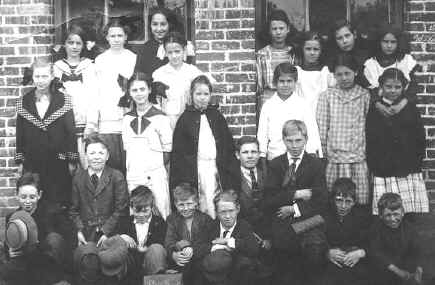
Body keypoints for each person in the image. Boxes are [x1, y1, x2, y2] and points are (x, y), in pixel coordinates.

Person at [16, 58, 78, 230]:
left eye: (44, 76)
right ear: (32, 77)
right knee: (36, 195)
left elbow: (70, 132)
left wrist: (72, 160)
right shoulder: (24, 101)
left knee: (57, 199)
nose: (40, 80)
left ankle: (58, 238)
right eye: (37, 76)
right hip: (33, 159)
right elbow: (20, 134)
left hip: (57, 160)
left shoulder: (63, 100)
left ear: (51, 77)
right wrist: (20, 161)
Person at [263, 120, 327, 284]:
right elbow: (269, 199)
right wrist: (296, 193)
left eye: (298, 140)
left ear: (306, 139)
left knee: (313, 252)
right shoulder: (276, 164)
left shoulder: (316, 165)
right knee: (284, 262)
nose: (294, 146)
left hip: (308, 220)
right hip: (281, 221)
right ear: (283, 140)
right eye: (290, 141)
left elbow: (321, 200)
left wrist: (294, 209)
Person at [170, 75, 240, 218]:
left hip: (216, 166)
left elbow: (227, 146)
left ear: (210, 95)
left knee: (217, 198)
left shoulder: (216, 116)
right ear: (191, 95)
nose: (202, 98)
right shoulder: (185, 120)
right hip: (196, 168)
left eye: (206, 94)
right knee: (203, 199)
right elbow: (179, 154)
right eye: (198, 94)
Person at [366, 68, 429, 215]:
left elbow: (419, 137)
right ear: (381, 87)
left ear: (404, 87)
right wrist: (375, 164)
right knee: (386, 211)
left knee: (408, 210)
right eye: (388, 86)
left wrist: (416, 162)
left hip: (407, 167)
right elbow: (371, 139)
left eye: (397, 87)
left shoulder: (410, 108)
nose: (393, 91)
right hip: (384, 167)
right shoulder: (375, 109)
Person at [317, 53, 371, 205]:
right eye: (339, 74)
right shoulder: (327, 96)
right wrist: (323, 152)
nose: (344, 78)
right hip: (335, 158)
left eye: (347, 73)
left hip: (358, 157)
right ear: (334, 75)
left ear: (356, 72)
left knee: (358, 199)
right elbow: (322, 126)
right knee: (334, 198)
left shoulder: (364, 95)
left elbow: (368, 125)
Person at [1, 173, 71, 285]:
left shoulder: (52, 215)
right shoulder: (13, 217)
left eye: (32, 197)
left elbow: (59, 247)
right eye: (23, 197)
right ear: (16, 195)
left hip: (46, 267)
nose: (28, 201)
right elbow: (8, 246)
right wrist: (10, 251)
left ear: (39, 195)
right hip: (22, 266)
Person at [122, 72, 172, 219]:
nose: (139, 94)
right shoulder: (126, 119)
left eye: (142, 89)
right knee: (137, 214)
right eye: (134, 90)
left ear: (149, 89)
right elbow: (127, 149)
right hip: (134, 175)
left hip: (155, 175)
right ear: (130, 93)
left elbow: (168, 150)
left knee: (161, 211)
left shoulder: (161, 118)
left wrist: (153, 166)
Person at [257, 62, 322, 167]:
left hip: (299, 158)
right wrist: (262, 156)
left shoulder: (303, 105)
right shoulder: (268, 106)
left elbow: (311, 130)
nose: (285, 85)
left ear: (295, 82)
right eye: (281, 81)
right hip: (275, 157)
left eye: (289, 81)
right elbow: (262, 134)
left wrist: (312, 152)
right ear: (275, 82)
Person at [93, 19, 137, 173]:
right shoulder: (100, 60)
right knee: (111, 163)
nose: (116, 39)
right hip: (107, 117)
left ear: (126, 37)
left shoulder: (133, 58)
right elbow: (97, 91)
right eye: (113, 36)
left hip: (128, 115)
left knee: (129, 162)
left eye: (120, 35)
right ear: (107, 38)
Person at [70, 134, 129, 246]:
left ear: (107, 156)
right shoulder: (78, 178)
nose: (96, 157)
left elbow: (121, 210)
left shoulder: (116, 176)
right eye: (92, 153)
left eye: (101, 153)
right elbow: (73, 210)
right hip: (86, 235)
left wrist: (106, 232)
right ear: (86, 155)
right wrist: (79, 231)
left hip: (111, 233)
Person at [53, 25, 99, 169]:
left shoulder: (89, 67)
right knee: (66, 170)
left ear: (84, 45)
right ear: (64, 44)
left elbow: (94, 97)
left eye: (78, 43)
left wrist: (91, 124)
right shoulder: (57, 68)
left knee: (87, 167)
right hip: (64, 127)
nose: (74, 47)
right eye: (70, 43)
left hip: (84, 125)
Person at [201, 191, 259, 285]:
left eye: (231, 211)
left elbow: (253, 249)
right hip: (213, 272)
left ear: (238, 209)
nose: (227, 216)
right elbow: (198, 247)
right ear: (216, 212)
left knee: (246, 264)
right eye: (223, 212)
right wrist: (216, 247)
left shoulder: (244, 226)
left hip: (236, 274)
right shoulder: (210, 226)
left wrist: (229, 241)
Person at [322, 178, 372, 285]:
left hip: (355, 264)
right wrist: (326, 252)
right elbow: (310, 236)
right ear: (332, 200)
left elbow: (374, 241)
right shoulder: (323, 214)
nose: (343, 206)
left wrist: (361, 253)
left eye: (348, 201)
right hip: (330, 264)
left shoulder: (363, 217)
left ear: (354, 202)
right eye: (339, 200)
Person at [364, 24, 420, 118]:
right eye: (385, 42)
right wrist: (379, 105)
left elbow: (413, 88)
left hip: (403, 110)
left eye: (393, 42)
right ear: (379, 42)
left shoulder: (406, 61)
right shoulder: (370, 64)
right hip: (378, 111)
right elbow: (368, 91)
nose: (389, 46)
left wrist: (400, 105)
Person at [164, 183, 214, 285]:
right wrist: (174, 255)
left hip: (200, 261)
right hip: (180, 260)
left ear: (196, 202)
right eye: (181, 205)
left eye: (189, 204)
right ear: (175, 204)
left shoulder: (205, 219)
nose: (186, 208)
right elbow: (169, 241)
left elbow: (207, 242)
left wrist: (191, 248)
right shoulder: (172, 219)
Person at [369, 193, 424, 285]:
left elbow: (418, 250)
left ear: (402, 213)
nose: (392, 219)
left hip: (406, 269)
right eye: (388, 215)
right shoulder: (376, 230)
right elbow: (376, 254)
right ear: (381, 215)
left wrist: (419, 268)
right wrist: (398, 271)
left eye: (396, 214)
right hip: (384, 271)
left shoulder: (409, 229)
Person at [152, 31, 203, 129]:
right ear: (165, 52)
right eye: (170, 52)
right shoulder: (159, 73)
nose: (174, 56)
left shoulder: (192, 71)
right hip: (167, 119)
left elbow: (206, 86)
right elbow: (156, 100)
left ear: (184, 50)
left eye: (177, 51)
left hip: (189, 117)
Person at [118, 186, 167, 284]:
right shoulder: (124, 222)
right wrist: (122, 237)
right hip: (131, 267)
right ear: (131, 207)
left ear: (152, 207)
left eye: (145, 211)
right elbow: (114, 241)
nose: (141, 215)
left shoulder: (160, 222)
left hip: (151, 264)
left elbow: (161, 244)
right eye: (137, 211)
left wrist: (147, 249)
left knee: (157, 249)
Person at [136, 8, 195, 78]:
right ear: (150, 26)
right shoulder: (144, 49)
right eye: (155, 24)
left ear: (169, 25)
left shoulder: (181, 46)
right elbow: (139, 75)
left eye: (163, 24)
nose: (159, 29)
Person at [235, 136, 269, 248]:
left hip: (267, 230)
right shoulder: (231, 179)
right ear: (237, 155)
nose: (250, 156)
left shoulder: (267, 175)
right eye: (245, 152)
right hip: (243, 232)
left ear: (259, 154)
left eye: (254, 152)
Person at [256, 9, 296, 105]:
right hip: (268, 100)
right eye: (274, 29)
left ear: (288, 29)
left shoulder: (293, 53)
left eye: (281, 28)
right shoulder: (262, 54)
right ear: (269, 31)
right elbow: (259, 86)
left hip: (290, 100)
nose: (278, 32)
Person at [296, 31, 335, 117]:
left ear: (321, 51)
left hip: (321, 115)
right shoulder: (298, 72)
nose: (312, 53)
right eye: (308, 49)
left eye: (316, 49)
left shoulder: (325, 72)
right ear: (302, 49)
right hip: (301, 116)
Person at [326, 19, 370, 87]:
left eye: (347, 36)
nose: (344, 41)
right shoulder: (333, 58)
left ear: (354, 34)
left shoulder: (365, 54)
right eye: (339, 38)